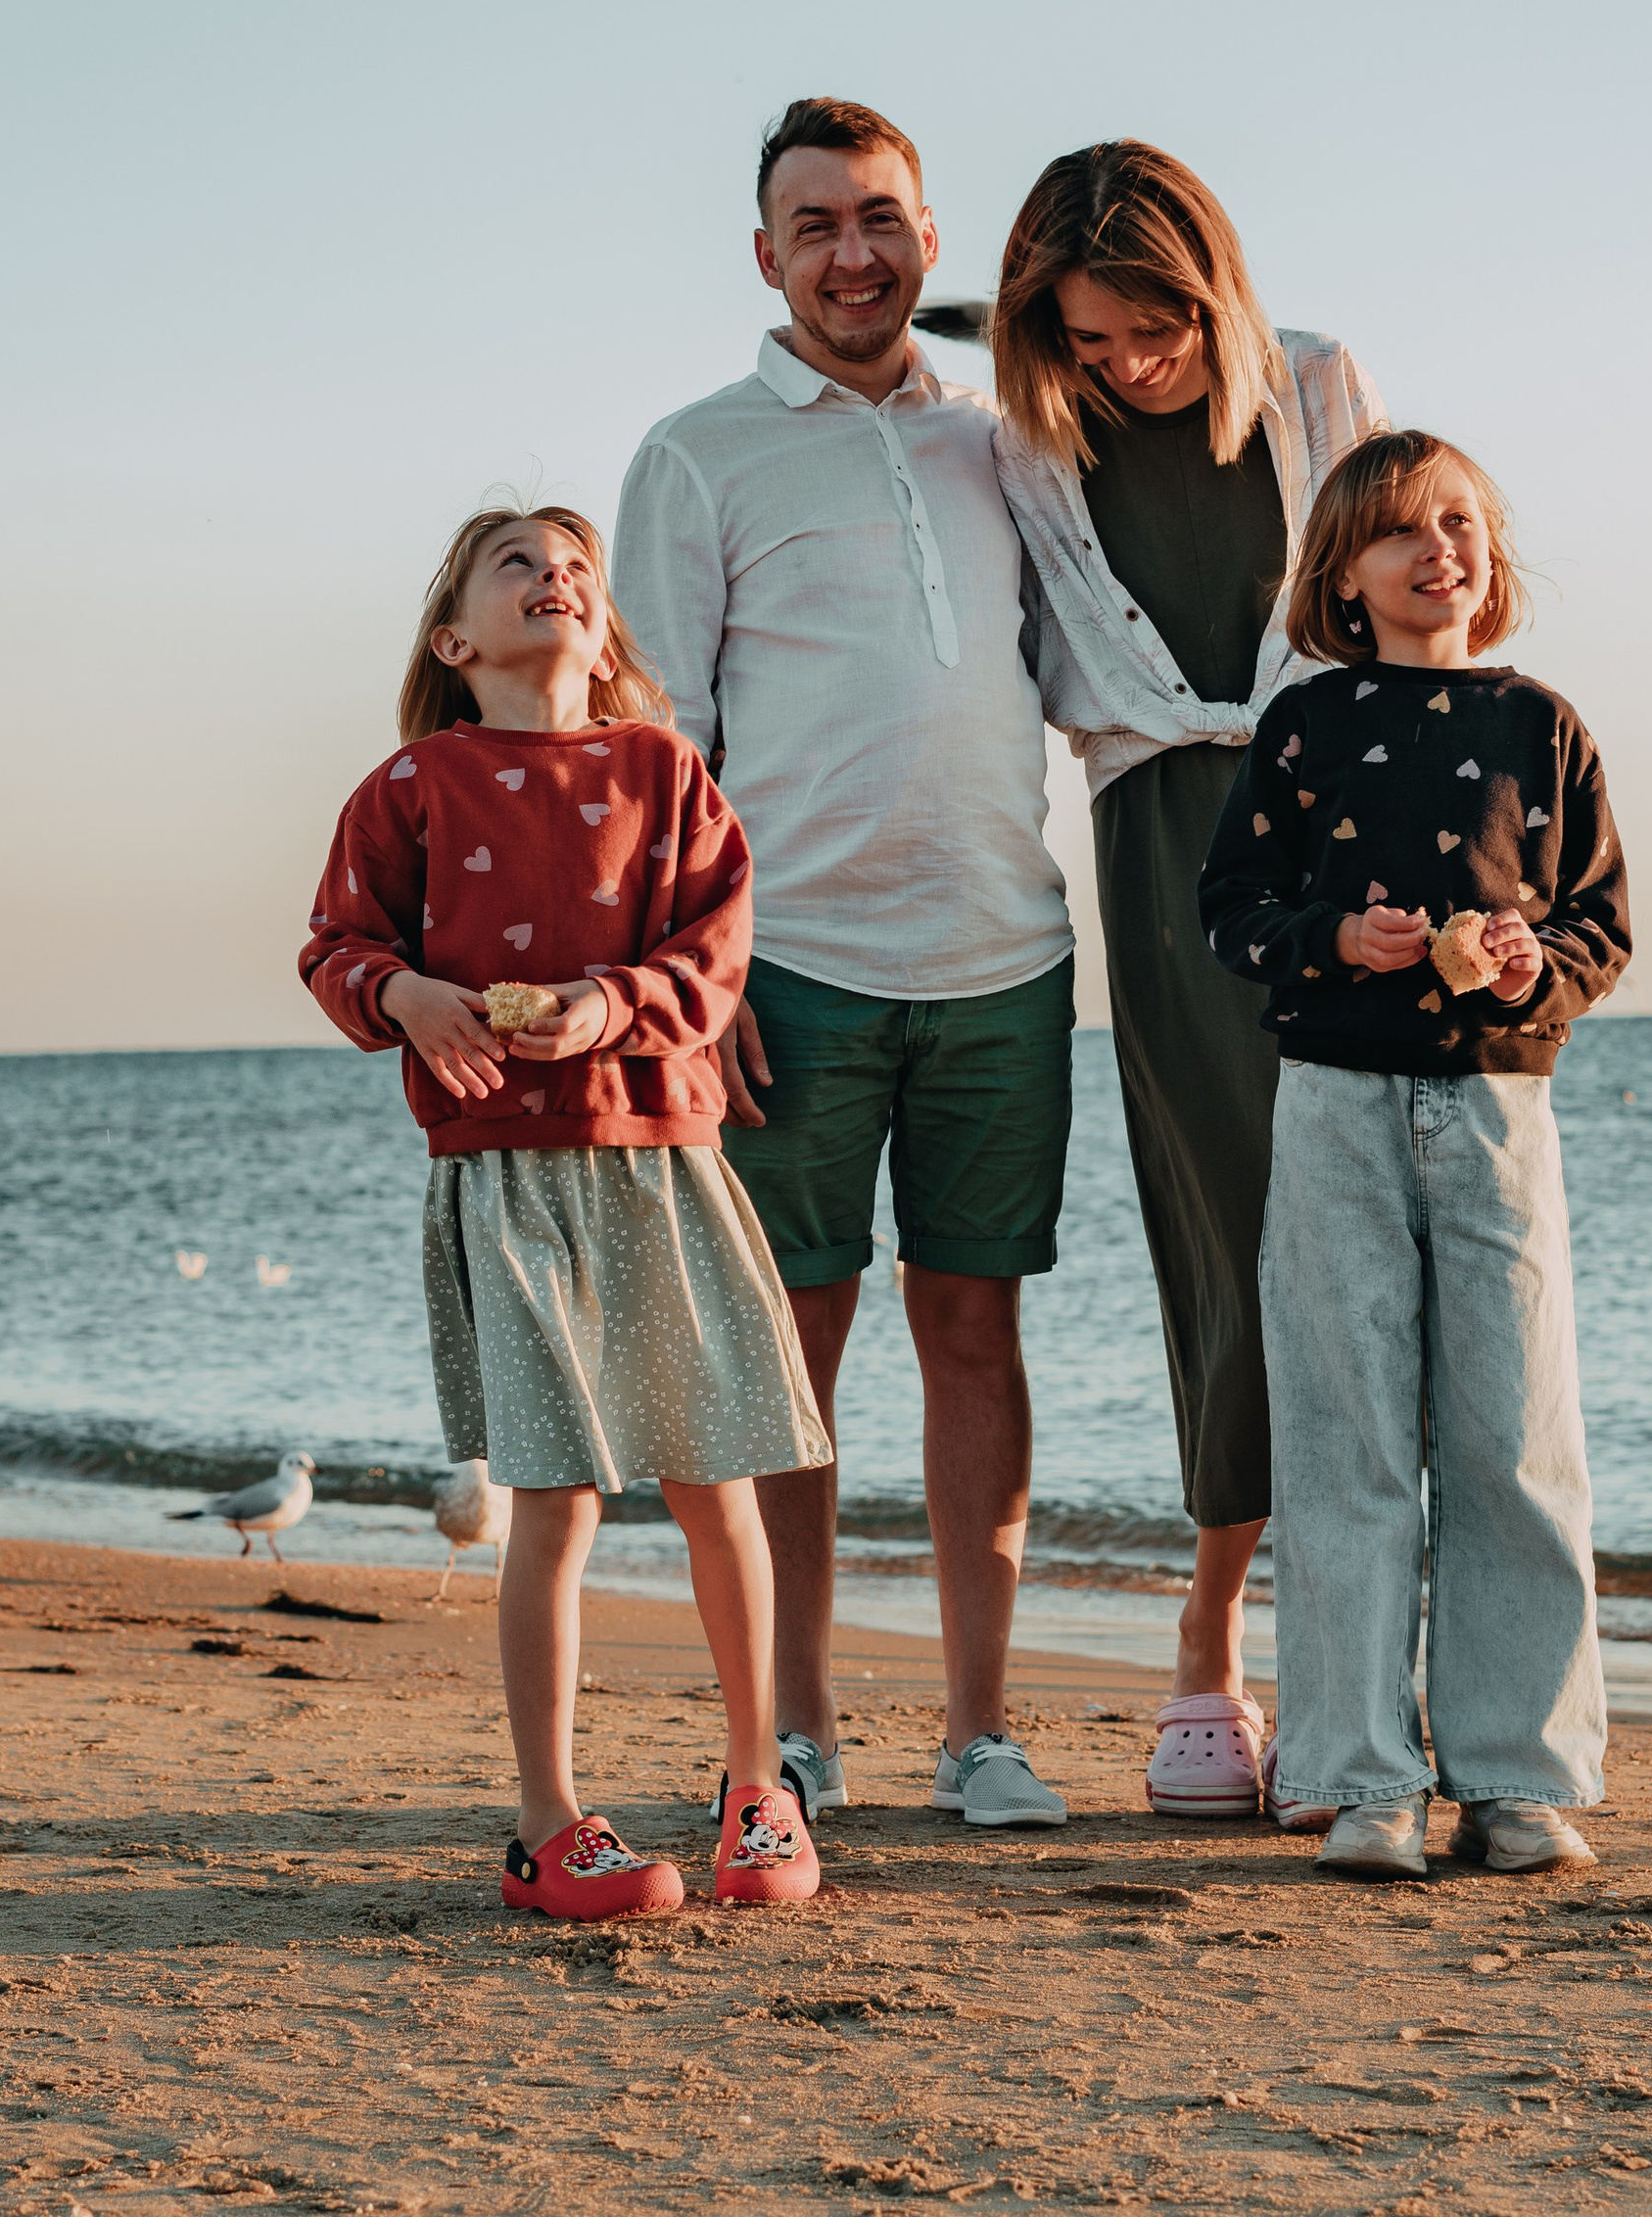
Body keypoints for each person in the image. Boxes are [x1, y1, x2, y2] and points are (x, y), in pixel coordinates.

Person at [613, 98, 1075, 1833]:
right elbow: (658, 741)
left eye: (879, 218)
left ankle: (980, 1734)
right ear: (767, 257)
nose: (852, 254)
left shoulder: (1007, 442)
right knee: (791, 1349)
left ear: (930, 238)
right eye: (814, 226)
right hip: (786, 968)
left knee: (977, 1330)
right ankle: (794, 1729)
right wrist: (698, 977)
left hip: (1005, 954)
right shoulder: (696, 455)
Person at [299, 501, 832, 1917]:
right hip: (504, 1175)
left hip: (663, 1159)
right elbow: (336, 947)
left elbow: (716, 953)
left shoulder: (665, 770)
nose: (556, 578)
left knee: (718, 1485)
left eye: (578, 568)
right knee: (554, 1503)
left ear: (605, 637)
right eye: (518, 564)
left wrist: (609, 1006)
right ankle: (548, 1826)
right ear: (452, 639)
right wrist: (407, 998)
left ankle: (757, 1793)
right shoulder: (409, 786)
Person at [989, 142, 1383, 1820]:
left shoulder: (1317, 385)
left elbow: (1390, 608)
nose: (1129, 366)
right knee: (1228, 1241)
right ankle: (1210, 1641)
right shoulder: (1033, 440)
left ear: (1213, 293)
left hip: (1348, 835)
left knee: (1364, 1244)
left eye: (1155, 331)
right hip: (1163, 861)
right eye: (1091, 340)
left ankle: (1353, 1676)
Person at [1199, 429, 1629, 1880]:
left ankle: (1516, 1775)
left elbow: (1602, 924)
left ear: (1489, 552)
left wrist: (1533, 964)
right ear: (1344, 573)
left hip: (1500, 1110)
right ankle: (1361, 1775)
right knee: (1347, 1444)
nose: (1438, 549)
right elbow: (1232, 907)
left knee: (1516, 1440)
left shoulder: (1544, 727)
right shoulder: (1303, 728)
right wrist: (1337, 936)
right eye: (1400, 530)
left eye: (1458, 522)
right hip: (1333, 1103)